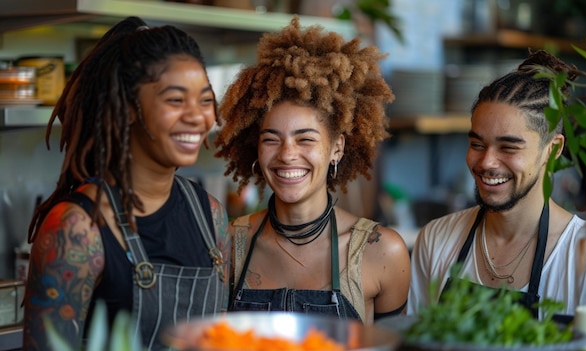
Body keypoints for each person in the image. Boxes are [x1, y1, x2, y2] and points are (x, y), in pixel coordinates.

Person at [22, 16, 230, 350]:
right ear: (129, 107)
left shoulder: (211, 216)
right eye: (176, 100)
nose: (197, 116)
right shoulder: (76, 229)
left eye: (205, 100)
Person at [213, 17, 410, 325]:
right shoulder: (228, 244)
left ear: (337, 148)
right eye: (271, 139)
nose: (287, 154)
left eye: (305, 139)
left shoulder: (382, 252)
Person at [407, 50, 585, 319]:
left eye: (508, 147)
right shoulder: (435, 241)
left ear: (553, 149)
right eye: (477, 144)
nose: (487, 162)